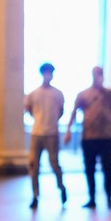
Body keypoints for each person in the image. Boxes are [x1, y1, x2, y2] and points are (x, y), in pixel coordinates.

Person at [65, 66, 111, 209]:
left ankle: (109, 197)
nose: (99, 76)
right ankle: (92, 198)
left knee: (107, 168)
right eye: (96, 74)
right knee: (89, 169)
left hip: (105, 137)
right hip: (89, 137)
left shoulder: (109, 94)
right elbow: (74, 112)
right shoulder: (83, 94)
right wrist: (68, 131)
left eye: (101, 74)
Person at [24, 62, 67, 210]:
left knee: (54, 163)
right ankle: (35, 195)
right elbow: (28, 109)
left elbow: (61, 111)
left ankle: (61, 188)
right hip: (37, 132)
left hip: (52, 133)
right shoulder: (34, 94)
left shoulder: (57, 93)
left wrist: (52, 122)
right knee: (33, 165)